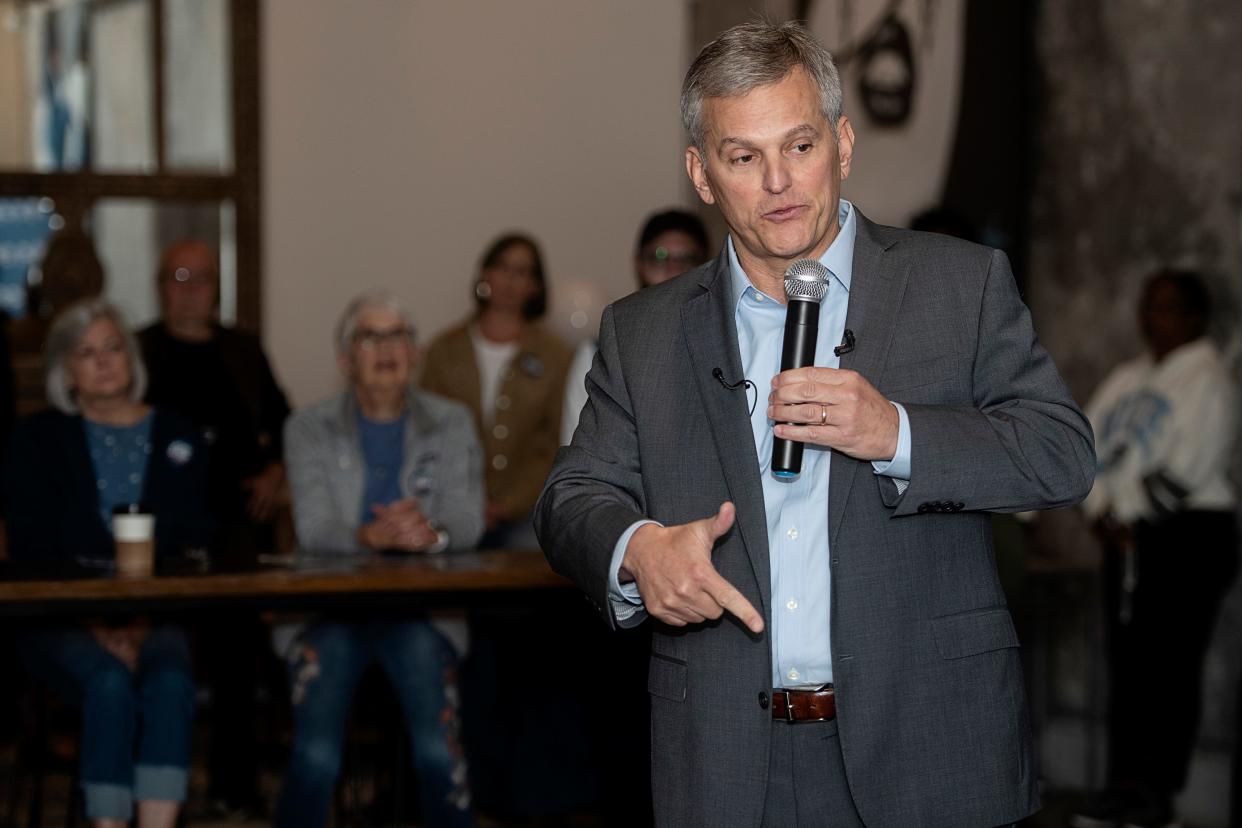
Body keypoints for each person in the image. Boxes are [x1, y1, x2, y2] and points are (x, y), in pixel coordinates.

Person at [535, 20, 1094, 827]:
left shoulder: (958, 284)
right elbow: (571, 496)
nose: (778, 182)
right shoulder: (644, 331)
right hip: (730, 762)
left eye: (799, 145)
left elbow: (1062, 453)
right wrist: (637, 550)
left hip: (932, 745)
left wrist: (897, 432)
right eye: (743, 157)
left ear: (843, 141)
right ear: (701, 173)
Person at [275, 291, 482, 828]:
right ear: (346, 360)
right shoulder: (307, 427)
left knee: (438, 756)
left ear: (414, 354)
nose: (386, 348)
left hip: (422, 614)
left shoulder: (452, 422)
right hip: (329, 615)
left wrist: (428, 535)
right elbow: (315, 531)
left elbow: (467, 521)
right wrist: (371, 536)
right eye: (371, 336)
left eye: (398, 336)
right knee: (315, 757)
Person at [5, 299, 209, 828]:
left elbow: (194, 541)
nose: (103, 361)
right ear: (65, 371)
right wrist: (97, 621)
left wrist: (138, 623)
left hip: (158, 612)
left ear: (132, 356)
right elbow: (30, 549)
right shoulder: (36, 440)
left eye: (112, 347)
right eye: (85, 352)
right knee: (109, 682)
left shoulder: (178, 434)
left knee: (168, 681)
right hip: (61, 618)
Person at [1072, 269, 1238, 828]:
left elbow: (1189, 466)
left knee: (1170, 664)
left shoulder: (1209, 377)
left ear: (1194, 317)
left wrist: (1126, 513)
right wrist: (1099, 509)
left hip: (1186, 536)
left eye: (1166, 308)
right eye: (1147, 306)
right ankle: (1123, 784)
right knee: (1130, 663)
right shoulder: (1129, 376)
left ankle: (1156, 792)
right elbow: (1082, 442)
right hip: (1127, 536)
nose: (1151, 318)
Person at [138, 239, 291, 818]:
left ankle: (235, 782)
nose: (190, 287)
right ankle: (158, 785)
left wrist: (275, 471)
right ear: (160, 284)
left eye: (200, 277)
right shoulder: (141, 350)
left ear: (216, 287)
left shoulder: (244, 351)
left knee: (238, 654)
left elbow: (284, 423)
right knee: (164, 655)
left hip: (235, 524)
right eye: (178, 275)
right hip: (160, 530)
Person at [420, 232, 571, 549]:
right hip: (449, 507)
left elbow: (557, 441)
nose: (510, 280)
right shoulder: (443, 351)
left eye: (522, 272)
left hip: (529, 512)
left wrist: (510, 504)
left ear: (535, 285)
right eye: (503, 267)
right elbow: (425, 433)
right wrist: (466, 502)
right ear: (484, 274)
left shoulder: (556, 356)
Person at [561, 209, 711, 444]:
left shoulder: (724, 343)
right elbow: (579, 450)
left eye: (685, 259)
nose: (672, 269)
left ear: (707, 265)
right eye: (660, 257)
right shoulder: (599, 352)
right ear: (639, 263)